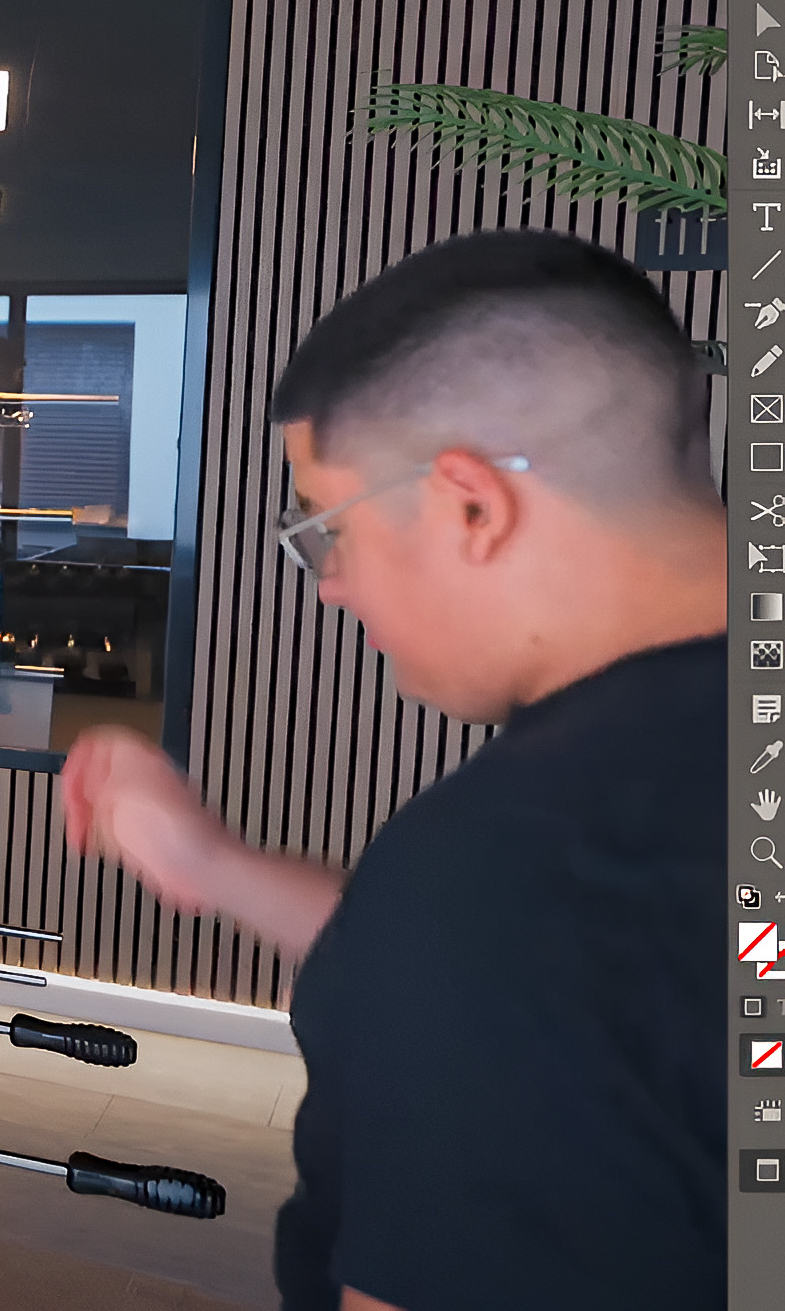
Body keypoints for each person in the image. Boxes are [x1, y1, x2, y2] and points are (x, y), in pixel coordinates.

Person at [55, 232, 720, 1311]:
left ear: (470, 506)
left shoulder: (505, 867)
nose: (331, 588)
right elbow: (622, 1004)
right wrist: (217, 867)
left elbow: (525, 964)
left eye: (328, 531)